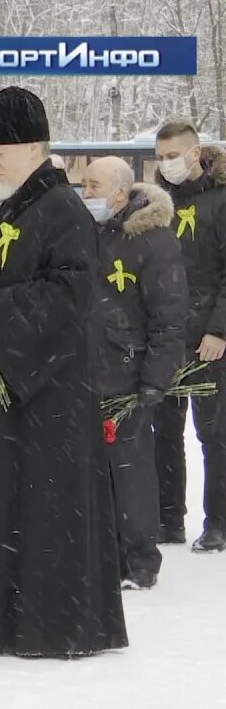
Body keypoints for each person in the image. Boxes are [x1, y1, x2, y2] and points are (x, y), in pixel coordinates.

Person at [0, 86, 128, 656]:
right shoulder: (17, 202)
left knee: (42, 511)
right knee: (8, 502)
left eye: (1, 151)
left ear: (35, 146)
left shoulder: (62, 208)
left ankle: (48, 621)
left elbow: (70, 294)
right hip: (10, 394)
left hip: (46, 396)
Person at [83, 156, 186, 589]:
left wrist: (154, 380)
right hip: (88, 370)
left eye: (93, 185)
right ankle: (105, 554)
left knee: (130, 469)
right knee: (95, 471)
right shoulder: (91, 233)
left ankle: (140, 560)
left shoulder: (154, 241)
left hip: (129, 373)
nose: (85, 193)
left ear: (120, 192)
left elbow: (169, 315)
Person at [152, 121, 226, 553]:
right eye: (160, 157)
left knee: (214, 434)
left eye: (173, 155)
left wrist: (219, 328)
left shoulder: (220, 200)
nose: (167, 164)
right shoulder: (157, 204)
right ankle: (168, 520)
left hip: (208, 338)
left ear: (195, 152)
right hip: (166, 334)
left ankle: (217, 521)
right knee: (164, 430)